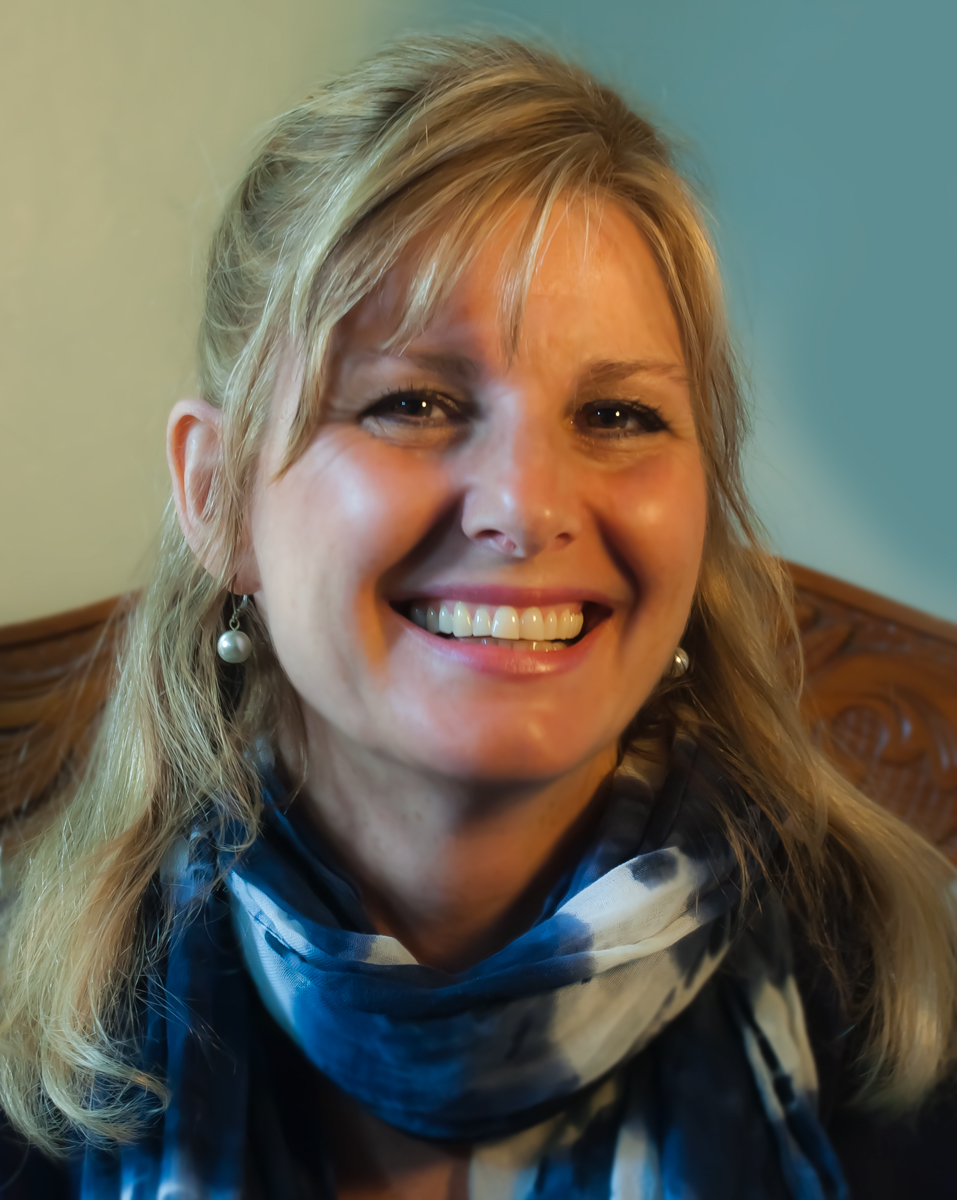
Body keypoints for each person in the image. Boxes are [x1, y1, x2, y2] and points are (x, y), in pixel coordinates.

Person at [1, 33, 955, 1200]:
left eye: (616, 414)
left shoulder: (899, 1016)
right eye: (413, 401)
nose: (527, 507)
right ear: (218, 496)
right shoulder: (29, 1027)